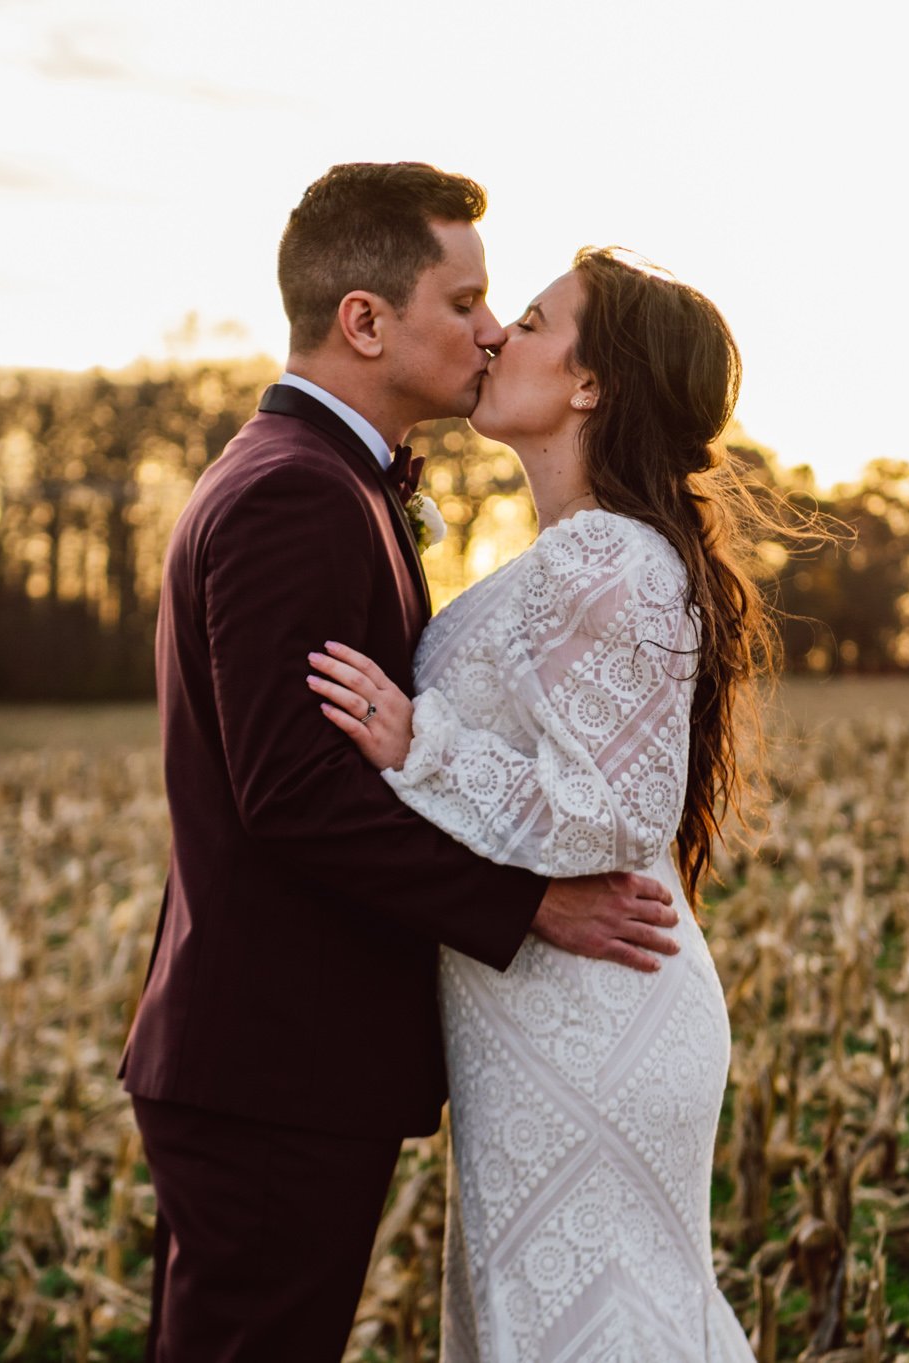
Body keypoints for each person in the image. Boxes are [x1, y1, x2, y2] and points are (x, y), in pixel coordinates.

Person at [117, 164, 685, 1363]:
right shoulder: (295, 496)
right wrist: (526, 904)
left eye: (506, 310)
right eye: (466, 299)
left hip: (280, 1060)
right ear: (365, 319)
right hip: (276, 1058)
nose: (487, 331)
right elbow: (298, 798)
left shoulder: (326, 483)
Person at [307, 247, 772, 1360]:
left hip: (589, 1008)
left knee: (591, 1326)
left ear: (588, 384)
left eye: (527, 318)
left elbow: (610, 816)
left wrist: (421, 742)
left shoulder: (603, 556)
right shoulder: (575, 553)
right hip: (544, 1004)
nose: (493, 337)